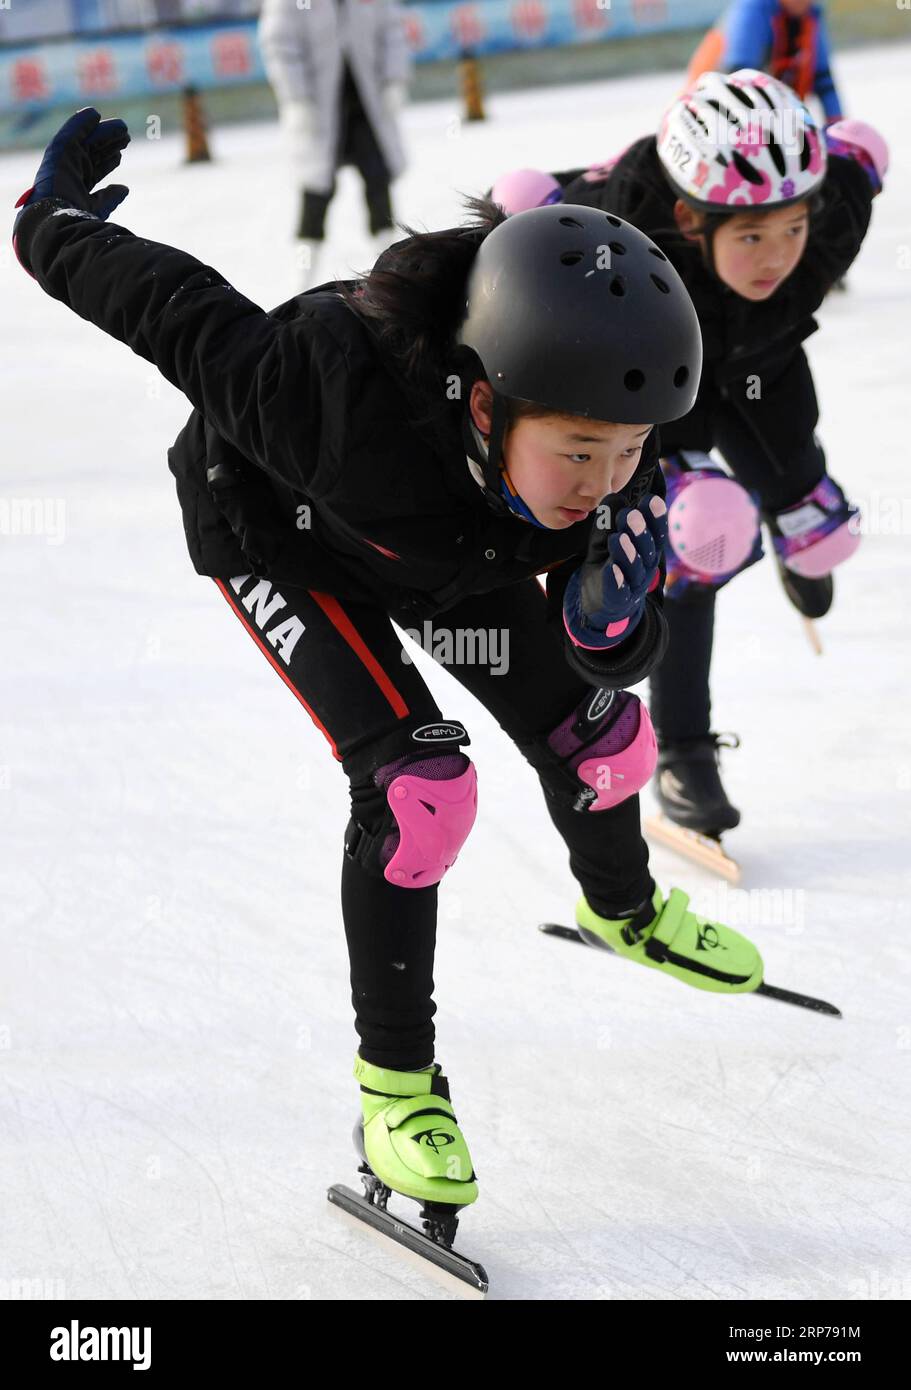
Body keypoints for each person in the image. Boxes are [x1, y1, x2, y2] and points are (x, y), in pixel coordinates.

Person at [13, 108, 771, 1230]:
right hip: (282, 526)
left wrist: (614, 623)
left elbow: (611, 651)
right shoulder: (309, 389)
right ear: (481, 400)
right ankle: (394, 1093)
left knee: (607, 739)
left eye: (626, 453)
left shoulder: (604, 457)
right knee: (421, 790)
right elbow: (158, 300)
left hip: (448, 548)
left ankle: (622, 906)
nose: (604, 483)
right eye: (577, 452)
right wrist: (50, 216)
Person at [490, 70, 887, 835]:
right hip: (666, 378)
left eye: (790, 229)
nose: (775, 257)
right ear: (687, 218)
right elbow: (528, 215)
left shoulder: (833, 207)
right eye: (748, 236)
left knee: (822, 533)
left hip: (764, 364)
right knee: (695, 533)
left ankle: (798, 550)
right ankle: (684, 751)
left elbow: (862, 154)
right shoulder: (620, 241)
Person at [258, 0, 410, 288]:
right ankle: (300, 280)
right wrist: (296, 97)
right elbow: (278, 45)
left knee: (378, 182)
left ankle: (391, 275)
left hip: (366, 106)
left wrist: (394, 78)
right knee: (315, 194)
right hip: (319, 110)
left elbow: (392, 31)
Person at [687, 0, 843, 122]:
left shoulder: (810, 17)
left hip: (773, 118)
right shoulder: (752, 9)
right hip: (712, 112)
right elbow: (738, 80)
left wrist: (836, 133)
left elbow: (825, 82)